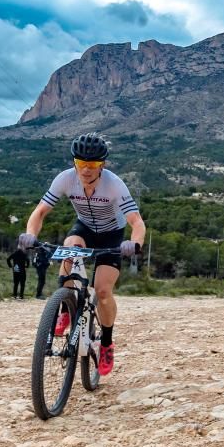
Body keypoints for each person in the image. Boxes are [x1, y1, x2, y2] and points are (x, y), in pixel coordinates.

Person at [17, 132, 146, 376]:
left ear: (102, 165)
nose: (86, 170)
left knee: (103, 291)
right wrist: (30, 234)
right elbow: (40, 211)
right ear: (74, 162)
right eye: (80, 164)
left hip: (112, 234)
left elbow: (137, 222)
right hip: (84, 228)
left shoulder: (114, 184)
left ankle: (106, 342)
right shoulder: (65, 179)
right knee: (69, 246)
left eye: (93, 165)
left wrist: (134, 243)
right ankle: (65, 307)